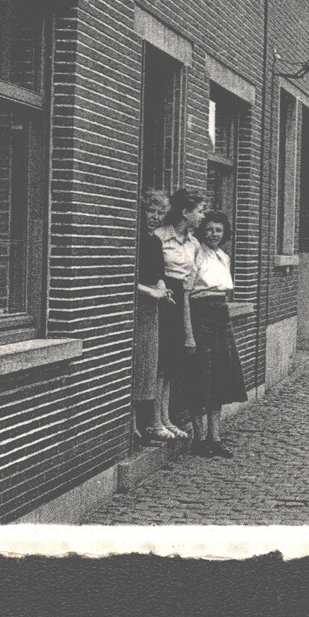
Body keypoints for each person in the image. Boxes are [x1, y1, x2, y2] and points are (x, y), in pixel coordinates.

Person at [181, 211, 247, 458]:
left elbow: (224, 293)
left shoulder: (224, 258)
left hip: (221, 316)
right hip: (200, 316)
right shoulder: (195, 255)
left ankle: (215, 437)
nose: (214, 234)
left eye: (218, 230)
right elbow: (185, 295)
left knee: (220, 376)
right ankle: (199, 439)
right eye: (209, 229)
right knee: (201, 375)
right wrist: (189, 333)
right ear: (202, 231)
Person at [154, 188, 206, 439]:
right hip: (161, 296)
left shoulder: (194, 244)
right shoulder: (161, 236)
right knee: (159, 362)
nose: (202, 216)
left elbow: (190, 281)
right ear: (185, 212)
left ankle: (165, 417)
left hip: (180, 299)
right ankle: (154, 420)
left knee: (171, 364)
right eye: (199, 211)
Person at [135, 189, 173, 445]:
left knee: (148, 368)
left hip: (151, 311)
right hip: (135, 308)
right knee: (135, 366)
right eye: (151, 211)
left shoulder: (154, 242)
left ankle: (145, 424)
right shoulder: (134, 239)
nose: (155, 217)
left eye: (160, 213)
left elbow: (159, 271)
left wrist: (161, 288)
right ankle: (132, 427)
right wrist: (151, 292)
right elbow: (128, 279)